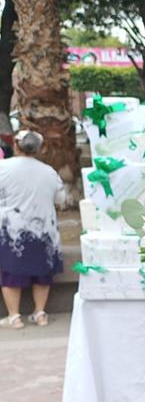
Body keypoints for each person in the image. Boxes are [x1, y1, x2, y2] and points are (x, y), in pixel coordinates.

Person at [0, 130, 66, 329]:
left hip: (13, 230)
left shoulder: (3, 168)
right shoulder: (49, 172)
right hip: (44, 230)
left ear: (16, 145)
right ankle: (40, 313)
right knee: (42, 274)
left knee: (11, 274)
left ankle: (14, 317)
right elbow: (61, 200)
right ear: (39, 148)